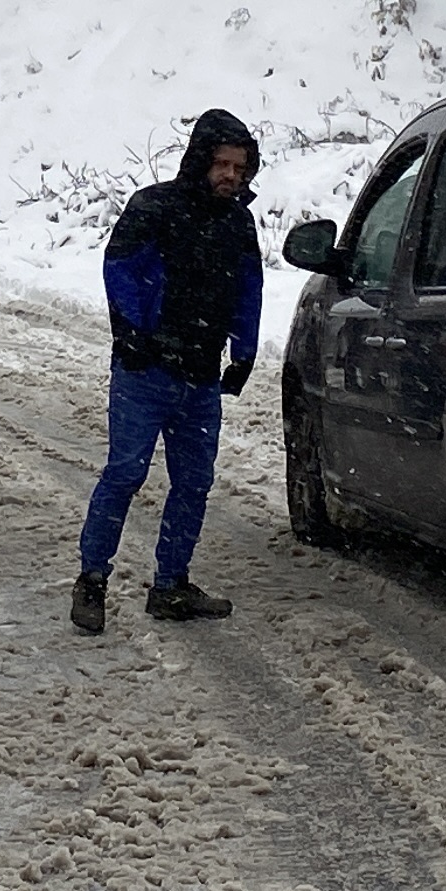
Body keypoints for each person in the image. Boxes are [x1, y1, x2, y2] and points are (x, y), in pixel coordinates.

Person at [72, 110, 261, 633]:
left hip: (201, 377)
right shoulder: (155, 207)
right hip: (146, 372)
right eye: (221, 164)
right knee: (126, 472)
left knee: (194, 481)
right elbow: (120, 268)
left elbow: (248, 289)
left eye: (239, 168)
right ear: (200, 161)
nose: (229, 175)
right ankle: (91, 580)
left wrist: (244, 350)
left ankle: (171, 584)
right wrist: (130, 332)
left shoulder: (239, 223)